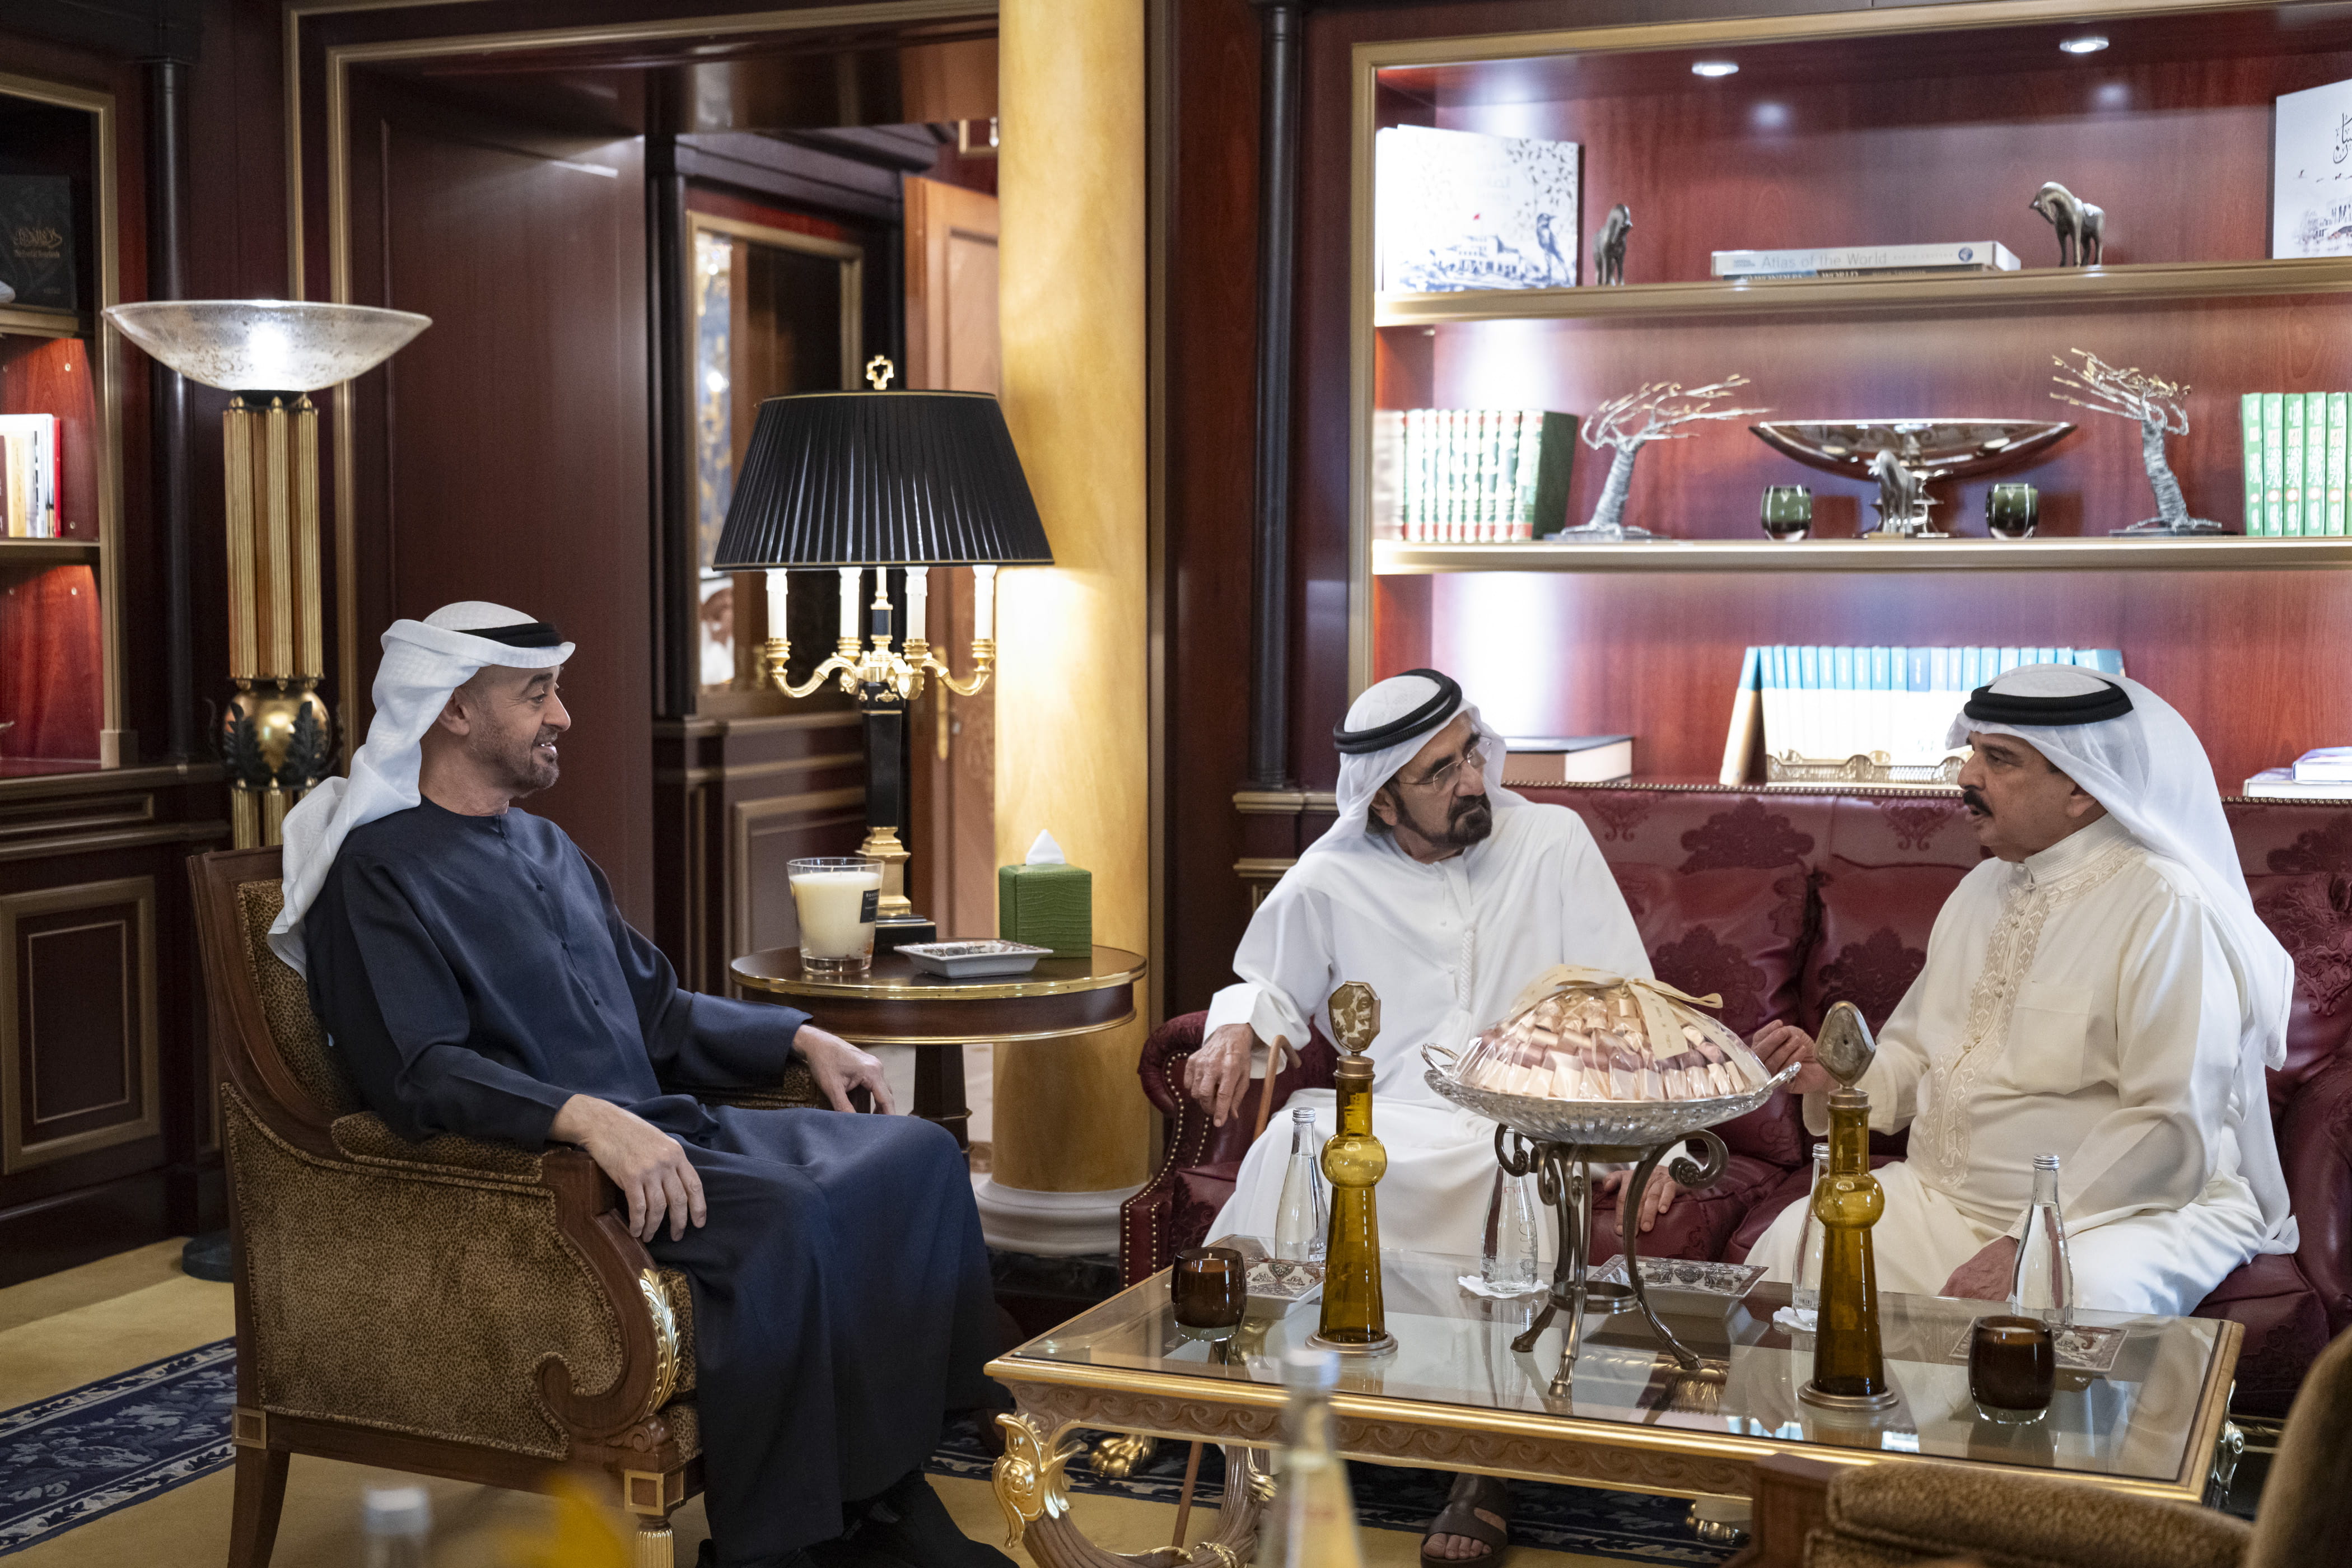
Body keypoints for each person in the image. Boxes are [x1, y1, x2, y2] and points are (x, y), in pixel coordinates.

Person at [276, 603, 1006, 1568]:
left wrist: (798, 1035)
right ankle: (780, 1546)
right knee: (791, 1216)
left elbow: (658, 1012)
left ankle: (888, 1492)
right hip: (570, 1173)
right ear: (453, 711)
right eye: (537, 695)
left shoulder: (547, 847)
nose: (563, 717)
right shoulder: (377, 874)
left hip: (675, 1130)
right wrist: (585, 1121)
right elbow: (419, 1072)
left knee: (917, 1157)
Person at [1185, 669, 1664, 1565]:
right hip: (1388, 1112)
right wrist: (1233, 1027)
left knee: (1504, 1167)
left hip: (1518, 1115)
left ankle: (1483, 1465)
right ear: (1382, 798)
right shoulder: (1333, 875)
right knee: (1291, 1146)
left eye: (1471, 755)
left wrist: (1649, 1144)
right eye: (1441, 772)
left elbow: (1625, 1002)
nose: (1473, 781)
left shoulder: (1551, 841)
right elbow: (1270, 986)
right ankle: (1265, 1443)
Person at [1748, 665, 2298, 1314]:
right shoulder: (1980, 890)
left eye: (1999, 759)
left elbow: (2170, 1124)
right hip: (1945, 1203)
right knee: (1796, 1246)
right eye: (1973, 751)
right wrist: (1836, 1078)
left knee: (2055, 1296)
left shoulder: (2166, 909)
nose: (1967, 775)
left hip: (2127, 1214)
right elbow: (1920, 1054)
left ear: (2082, 787)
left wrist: (2027, 1238)